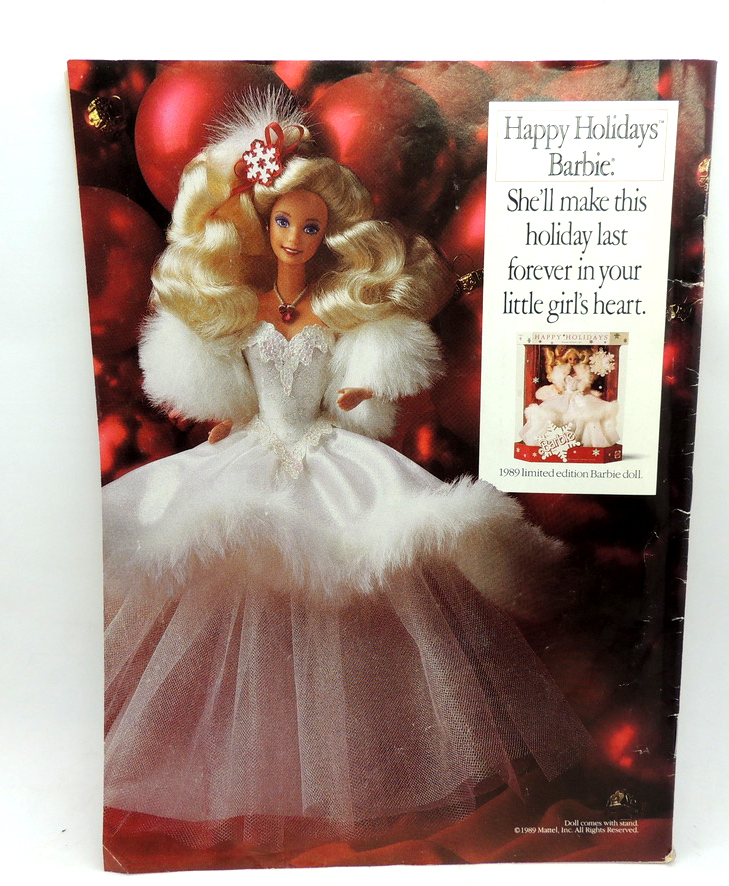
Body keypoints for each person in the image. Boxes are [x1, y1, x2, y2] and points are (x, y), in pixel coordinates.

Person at [102, 92, 591, 856]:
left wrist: (358, 392)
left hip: (326, 447)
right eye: (284, 223)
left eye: (311, 227)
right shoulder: (247, 305)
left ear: (329, 233)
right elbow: (233, 388)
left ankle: (351, 768)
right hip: (257, 446)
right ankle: (250, 763)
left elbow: (351, 385)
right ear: (261, 226)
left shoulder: (335, 312)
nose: (297, 237)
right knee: (236, 575)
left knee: (358, 578)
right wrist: (227, 420)